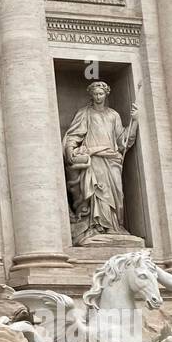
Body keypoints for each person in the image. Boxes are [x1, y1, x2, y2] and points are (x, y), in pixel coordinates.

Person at [62, 80, 137, 241]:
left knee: (117, 193)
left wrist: (135, 121)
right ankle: (99, 226)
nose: (98, 97)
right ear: (91, 95)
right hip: (95, 157)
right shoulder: (85, 113)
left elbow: (122, 141)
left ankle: (115, 225)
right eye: (95, 94)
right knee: (98, 192)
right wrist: (69, 151)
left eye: (101, 93)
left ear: (106, 94)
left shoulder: (113, 115)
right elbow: (74, 135)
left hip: (112, 159)